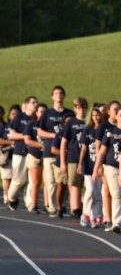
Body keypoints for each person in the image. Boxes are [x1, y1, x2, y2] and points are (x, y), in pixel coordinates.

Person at [39, 85, 73, 217]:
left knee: (63, 182)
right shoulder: (47, 113)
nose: (59, 95)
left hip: (64, 153)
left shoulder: (69, 114)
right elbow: (40, 131)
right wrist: (55, 135)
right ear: (52, 96)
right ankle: (53, 208)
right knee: (50, 181)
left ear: (64, 96)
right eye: (56, 93)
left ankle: (61, 204)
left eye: (61, 93)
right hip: (49, 151)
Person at [95, 105, 121, 232]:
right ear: (116, 116)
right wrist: (96, 168)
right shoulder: (110, 132)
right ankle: (117, 223)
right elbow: (102, 152)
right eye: (120, 115)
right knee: (117, 195)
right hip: (112, 167)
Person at [59, 97, 89, 222]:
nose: (81, 110)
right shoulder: (70, 123)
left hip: (88, 158)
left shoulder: (88, 123)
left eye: (83, 107)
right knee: (73, 184)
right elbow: (63, 143)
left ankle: (82, 207)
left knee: (86, 185)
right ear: (74, 108)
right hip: (73, 157)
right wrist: (62, 162)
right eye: (78, 107)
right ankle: (74, 209)